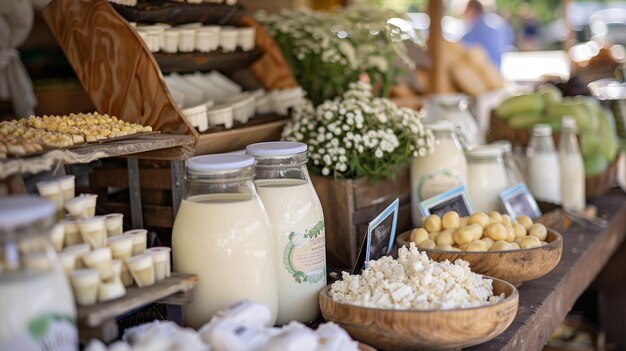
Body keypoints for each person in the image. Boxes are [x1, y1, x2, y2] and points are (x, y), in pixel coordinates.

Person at [461, 0, 513, 68]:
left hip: (484, 71)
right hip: (496, 68)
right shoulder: (496, 22)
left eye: (466, 12)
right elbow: (509, 37)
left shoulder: (477, 28)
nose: (465, 16)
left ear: (472, 10)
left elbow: (463, 45)